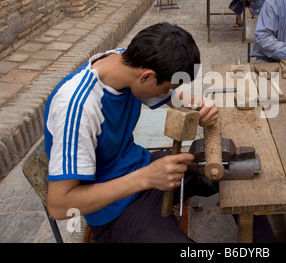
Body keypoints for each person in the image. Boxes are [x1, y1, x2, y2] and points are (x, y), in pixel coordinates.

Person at [44, 23, 220, 243]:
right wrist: (146, 178)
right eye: (165, 87)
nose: (168, 92)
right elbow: (59, 205)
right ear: (146, 77)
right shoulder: (77, 108)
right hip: (113, 209)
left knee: (229, 166)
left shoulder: (126, 61)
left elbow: (173, 96)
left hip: (140, 167)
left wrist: (200, 105)